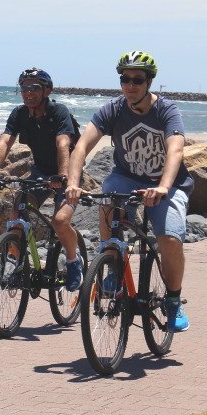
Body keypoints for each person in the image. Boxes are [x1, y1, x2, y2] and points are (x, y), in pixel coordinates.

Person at [65, 50, 193, 332]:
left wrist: (162, 186)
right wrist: (73, 183)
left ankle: (173, 301)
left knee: (170, 239)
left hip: (167, 183)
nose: (130, 85)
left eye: (138, 80)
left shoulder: (167, 111)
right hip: (126, 177)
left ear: (149, 82)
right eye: (125, 79)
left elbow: (176, 150)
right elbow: (82, 146)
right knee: (108, 199)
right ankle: (111, 265)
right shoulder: (112, 110)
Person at [0, 67, 84, 291]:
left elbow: (63, 144)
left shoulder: (59, 112)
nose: (28, 93)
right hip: (40, 172)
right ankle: (17, 263)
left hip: (67, 174)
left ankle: (74, 262)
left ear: (47, 90)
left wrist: (63, 176)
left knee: (60, 221)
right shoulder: (19, 114)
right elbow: (5, 141)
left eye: (35, 88)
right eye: (24, 88)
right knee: (18, 210)